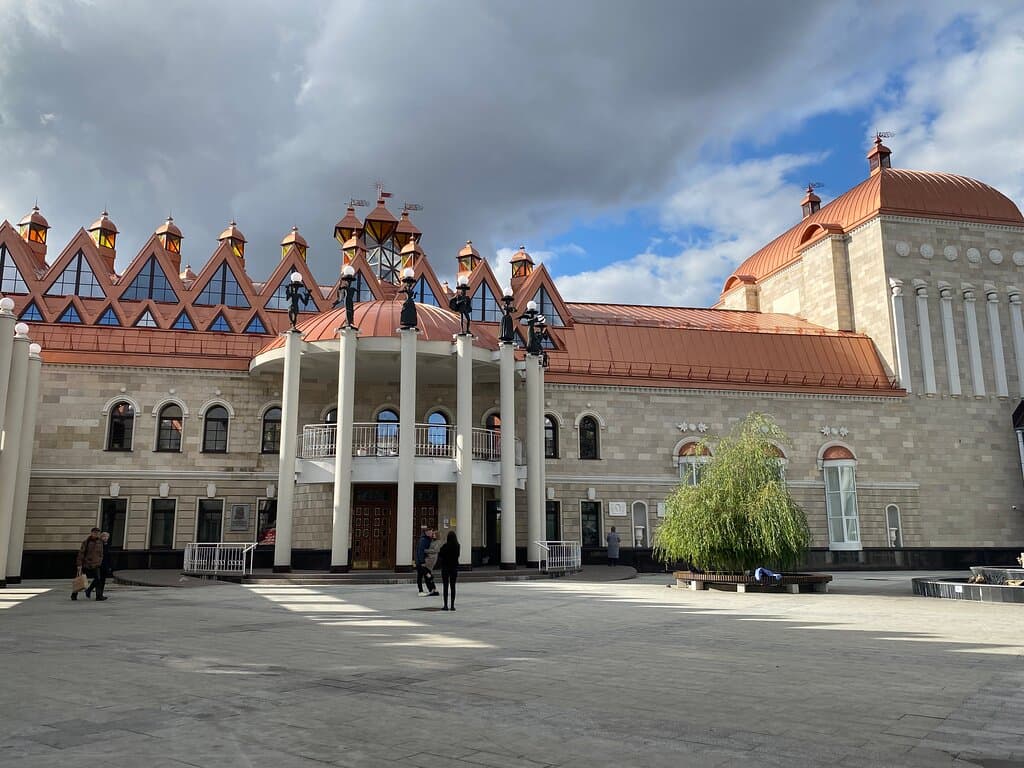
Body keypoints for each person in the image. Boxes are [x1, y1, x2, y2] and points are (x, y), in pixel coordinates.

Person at [72, 527, 103, 601]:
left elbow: (101, 553)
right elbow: (81, 553)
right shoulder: (86, 542)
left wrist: (100, 561)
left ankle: (98, 596)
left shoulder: (100, 542)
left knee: (98, 579)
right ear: (91, 533)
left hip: (96, 564)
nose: (96, 534)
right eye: (95, 533)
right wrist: (79, 564)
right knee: (80, 580)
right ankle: (74, 594)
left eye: (98, 533)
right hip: (86, 563)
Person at [437, 530, 461, 611]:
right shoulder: (458, 546)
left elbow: (440, 555)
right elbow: (458, 555)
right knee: (453, 586)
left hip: (445, 568)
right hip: (454, 568)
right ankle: (452, 606)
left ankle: (445, 605)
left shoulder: (445, 546)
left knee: (446, 586)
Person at [85, 531, 112, 601]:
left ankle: (99, 594)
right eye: (104, 536)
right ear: (101, 537)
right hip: (98, 564)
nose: (105, 538)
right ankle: (97, 595)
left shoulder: (107, 545)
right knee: (98, 580)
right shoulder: (99, 544)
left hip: (105, 564)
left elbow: (108, 556)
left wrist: (109, 566)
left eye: (107, 537)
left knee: (102, 580)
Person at [415, 527, 438, 596]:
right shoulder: (423, 540)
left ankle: (431, 589)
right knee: (425, 575)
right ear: (427, 532)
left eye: (432, 532)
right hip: (421, 562)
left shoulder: (428, 539)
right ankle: (422, 590)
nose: (432, 533)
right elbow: (420, 551)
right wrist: (422, 562)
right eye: (430, 532)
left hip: (424, 561)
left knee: (426, 575)